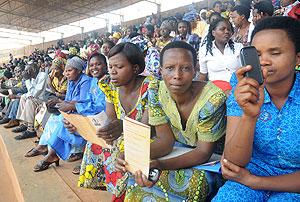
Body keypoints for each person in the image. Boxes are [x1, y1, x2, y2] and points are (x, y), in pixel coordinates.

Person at [116, 41, 226, 201]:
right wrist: (130, 156)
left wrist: (160, 165)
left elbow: (203, 152)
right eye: (169, 68)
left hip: (212, 159)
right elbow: (165, 141)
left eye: (186, 68)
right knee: (137, 175)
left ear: (195, 69)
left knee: (193, 183)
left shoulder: (212, 100)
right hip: (179, 150)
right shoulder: (156, 92)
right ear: (160, 70)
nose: (177, 75)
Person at [213, 16, 300, 201]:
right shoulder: (242, 85)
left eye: (275, 53)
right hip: (247, 177)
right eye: (257, 54)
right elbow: (234, 162)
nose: (264, 61)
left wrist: (256, 181)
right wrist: (249, 116)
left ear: (297, 57)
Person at [89, 42, 151, 201]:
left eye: (119, 67)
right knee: (95, 142)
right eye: (110, 67)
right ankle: (114, 189)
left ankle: (123, 193)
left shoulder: (150, 87)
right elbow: (111, 118)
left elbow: (146, 129)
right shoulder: (109, 85)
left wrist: (121, 128)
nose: (112, 72)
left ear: (135, 68)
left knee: (124, 145)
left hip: (147, 137)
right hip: (124, 132)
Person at [32, 56, 100, 172]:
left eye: (69, 71)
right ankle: (47, 149)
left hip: (86, 113)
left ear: (78, 70)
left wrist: (66, 104)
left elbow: (82, 102)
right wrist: (59, 103)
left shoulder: (86, 81)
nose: (66, 73)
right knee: (55, 118)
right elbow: (69, 100)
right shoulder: (72, 81)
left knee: (63, 122)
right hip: (77, 111)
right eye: (66, 71)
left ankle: (52, 153)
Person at [199, 18, 243, 94]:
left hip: (238, 89)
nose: (226, 32)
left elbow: (246, 69)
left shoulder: (239, 47)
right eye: (222, 29)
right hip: (216, 92)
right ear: (213, 33)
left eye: (229, 29)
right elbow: (203, 75)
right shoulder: (204, 50)